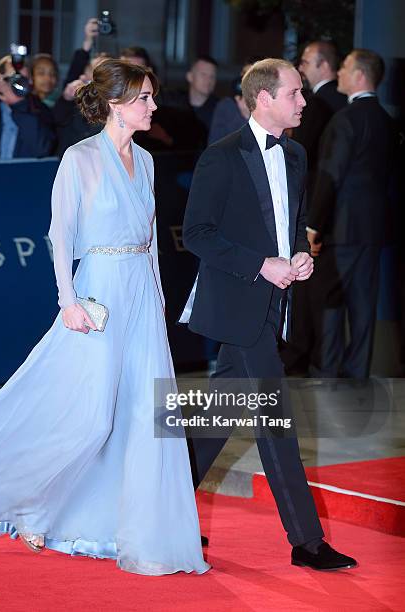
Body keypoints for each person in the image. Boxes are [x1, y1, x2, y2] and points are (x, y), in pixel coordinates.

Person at [0, 58, 210, 577]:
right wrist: (69, 301)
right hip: (96, 292)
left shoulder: (145, 161)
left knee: (144, 413)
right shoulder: (79, 159)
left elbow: (149, 242)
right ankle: (32, 502)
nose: (153, 106)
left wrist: (161, 298)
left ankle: (128, 523)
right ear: (118, 104)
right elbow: (61, 236)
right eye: (144, 98)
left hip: (141, 295)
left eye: (151, 97)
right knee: (88, 413)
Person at [181, 58, 356, 571]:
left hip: (275, 302)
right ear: (264, 98)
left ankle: (154, 507)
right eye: (295, 93)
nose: (304, 102)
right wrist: (263, 265)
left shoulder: (297, 154)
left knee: (215, 419)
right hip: (239, 302)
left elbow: (294, 222)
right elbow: (197, 234)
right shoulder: (221, 157)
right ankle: (307, 542)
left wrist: (300, 254)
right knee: (276, 420)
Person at [307, 49, 396, 378]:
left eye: (343, 68)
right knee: (363, 300)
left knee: (330, 297)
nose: (339, 74)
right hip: (374, 228)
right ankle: (357, 370)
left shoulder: (345, 119)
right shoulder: (386, 121)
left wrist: (314, 224)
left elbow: (330, 175)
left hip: (342, 227)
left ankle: (329, 369)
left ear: (359, 75)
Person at [280, 41, 347, 375]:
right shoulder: (342, 101)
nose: (301, 66)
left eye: (305, 61)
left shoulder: (319, 105)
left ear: (323, 64)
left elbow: (308, 163)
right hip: (342, 216)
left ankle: (303, 355)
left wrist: (310, 220)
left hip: (318, 211)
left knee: (310, 289)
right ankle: (322, 359)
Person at [0, 55, 55, 160]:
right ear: (0, 79)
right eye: (12, 79)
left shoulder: (39, 107)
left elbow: (41, 149)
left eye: (22, 79)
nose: (17, 85)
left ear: (30, 81)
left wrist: (18, 105)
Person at [208, 63, 251, 144]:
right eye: (244, 73)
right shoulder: (226, 106)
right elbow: (214, 146)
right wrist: (244, 117)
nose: (247, 79)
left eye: (253, 74)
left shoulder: (271, 106)